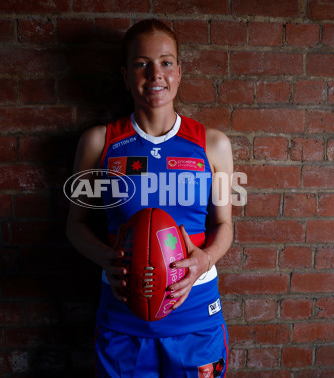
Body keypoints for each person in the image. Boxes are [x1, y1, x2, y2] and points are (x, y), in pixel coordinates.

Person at [66, 19, 234, 377]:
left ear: (179, 72)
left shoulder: (213, 145)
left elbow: (224, 225)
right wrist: (107, 259)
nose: (155, 73)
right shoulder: (99, 143)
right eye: (142, 63)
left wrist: (204, 260)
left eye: (166, 62)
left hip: (195, 315)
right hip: (123, 315)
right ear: (126, 75)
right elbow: (75, 226)